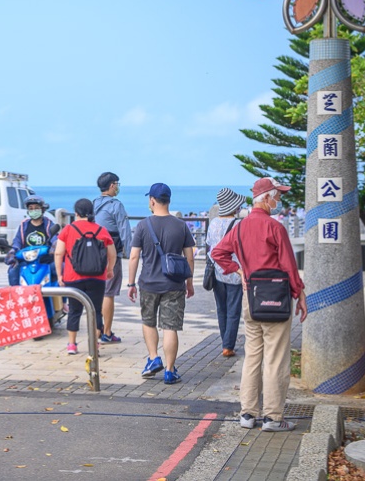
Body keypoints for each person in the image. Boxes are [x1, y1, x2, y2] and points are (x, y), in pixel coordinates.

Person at [212, 177, 307, 433]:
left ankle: (247, 414)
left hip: (250, 298)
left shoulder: (239, 228)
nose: (279, 201)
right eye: (277, 196)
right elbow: (288, 265)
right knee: (275, 358)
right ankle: (273, 418)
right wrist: (300, 294)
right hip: (277, 298)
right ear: (266, 198)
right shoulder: (275, 228)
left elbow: (217, 253)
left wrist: (239, 271)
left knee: (253, 355)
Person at [127, 183, 196, 385]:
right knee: (170, 327)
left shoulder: (142, 225)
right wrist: (189, 282)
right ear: (169, 200)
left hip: (148, 283)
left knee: (149, 322)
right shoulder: (181, 225)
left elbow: (133, 257)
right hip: (174, 284)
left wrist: (130, 283)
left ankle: (152, 358)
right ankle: (169, 370)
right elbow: (189, 258)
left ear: (152, 200)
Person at [54, 199, 115, 355]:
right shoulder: (101, 230)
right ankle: (94, 345)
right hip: (97, 277)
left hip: (73, 277)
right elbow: (112, 253)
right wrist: (109, 269)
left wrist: (60, 275)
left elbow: (59, 253)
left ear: (76, 213)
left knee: (74, 310)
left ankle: (72, 345)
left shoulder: (68, 229)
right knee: (96, 311)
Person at [206, 188, 247, 357]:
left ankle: (225, 341)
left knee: (221, 309)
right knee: (233, 310)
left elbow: (209, 244)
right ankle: (228, 346)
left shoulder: (214, 222)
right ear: (234, 206)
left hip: (217, 271)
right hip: (235, 272)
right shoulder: (239, 224)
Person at [93, 172, 131, 344]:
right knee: (108, 292)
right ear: (111, 185)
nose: (118, 186)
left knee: (96, 292)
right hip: (110, 253)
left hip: (92, 252)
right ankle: (106, 333)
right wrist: (131, 254)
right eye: (117, 183)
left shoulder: (93, 204)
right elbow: (124, 231)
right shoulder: (116, 205)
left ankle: (96, 330)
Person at [6, 195, 58, 287]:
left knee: (60, 268)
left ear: (42, 209)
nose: (34, 210)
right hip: (26, 260)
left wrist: (54, 247)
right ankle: (16, 296)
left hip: (45, 260)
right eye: (31, 208)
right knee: (12, 271)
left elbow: (55, 239)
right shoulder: (23, 226)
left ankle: (61, 298)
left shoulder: (49, 224)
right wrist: (12, 252)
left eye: (36, 208)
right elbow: (17, 241)